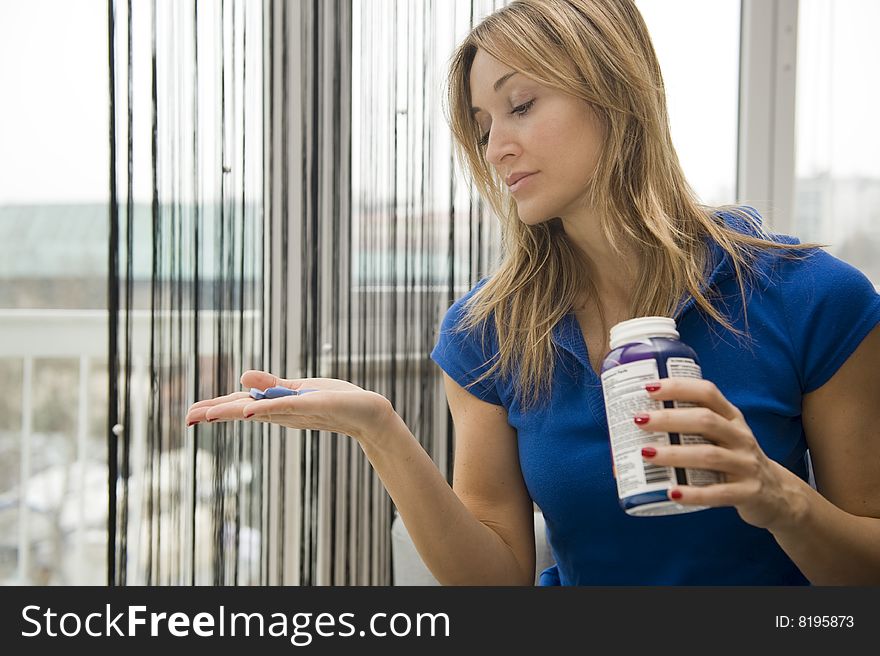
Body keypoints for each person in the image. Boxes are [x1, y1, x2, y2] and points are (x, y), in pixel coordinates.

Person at [185, 0, 880, 585]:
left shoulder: (813, 299)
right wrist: (381, 431)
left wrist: (779, 497)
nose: (495, 149)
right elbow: (501, 582)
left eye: (520, 104)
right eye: (483, 128)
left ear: (617, 89)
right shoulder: (486, 334)